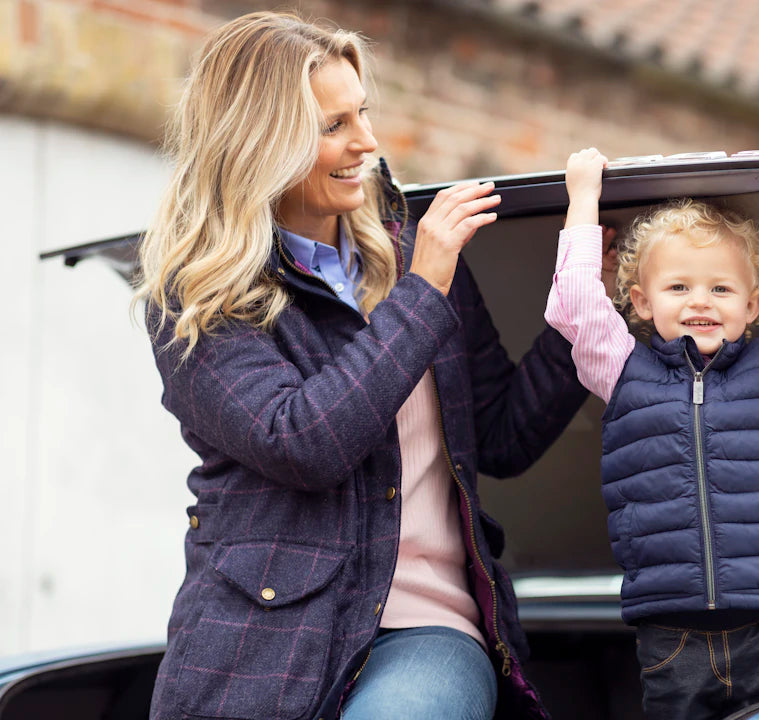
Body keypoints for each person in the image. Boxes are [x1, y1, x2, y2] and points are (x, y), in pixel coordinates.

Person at [134, 11, 587, 720]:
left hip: (425, 627)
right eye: (333, 125)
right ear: (262, 141)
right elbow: (303, 442)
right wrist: (422, 290)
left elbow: (499, 435)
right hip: (257, 643)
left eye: (363, 115)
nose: (367, 143)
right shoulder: (195, 298)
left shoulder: (417, 257)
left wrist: (590, 305)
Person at [545, 147, 759, 719]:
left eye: (721, 290)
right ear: (640, 301)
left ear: (752, 305)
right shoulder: (620, 369)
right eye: (678, 287)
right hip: (669, 632)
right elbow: (575, 305)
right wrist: (582, 199)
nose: (700, 300)